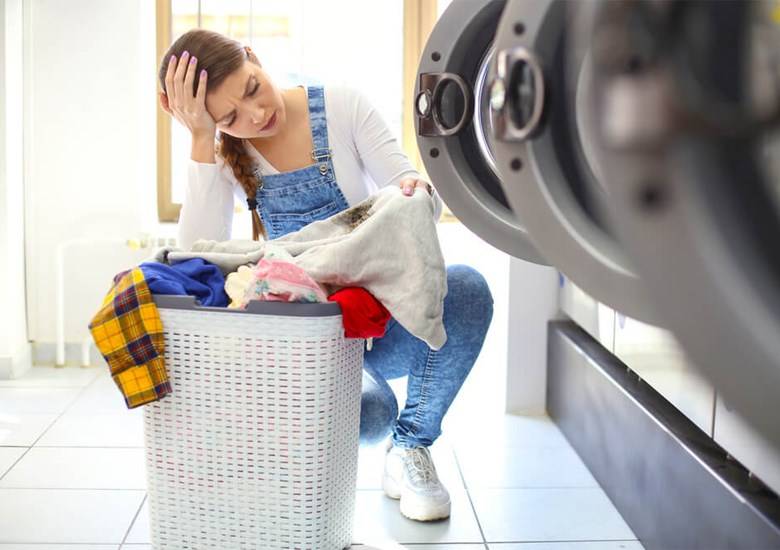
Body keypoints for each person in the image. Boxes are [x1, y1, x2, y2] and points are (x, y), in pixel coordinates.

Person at [158, 28, 493, 522]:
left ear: (254, 57)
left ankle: (410, 447)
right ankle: (294, 466)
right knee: (371, 414)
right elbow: (196, 259)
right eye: (230, 117)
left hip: (381, 320)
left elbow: (413, 196)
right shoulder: (227, 155)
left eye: (252, 88)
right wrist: (203, 139)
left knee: (467, 288)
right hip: (312, 341)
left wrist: (413, 192)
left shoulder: (342, 107)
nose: (256, 114)